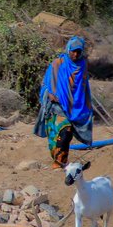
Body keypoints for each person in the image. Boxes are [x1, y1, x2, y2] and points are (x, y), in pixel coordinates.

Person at [35, 36, 93, 168]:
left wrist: (85, 104)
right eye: (73, 51)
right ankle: (58, 160)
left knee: (66, 133)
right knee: (57, 133)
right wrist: (49, 93)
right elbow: (46, 82)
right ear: (68, 49)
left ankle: (60, 161)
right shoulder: (58, 63)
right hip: (57, 105)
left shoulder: (83, 65)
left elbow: (83, 86)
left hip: (75, 106)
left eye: (78, 51)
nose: (75, 54)